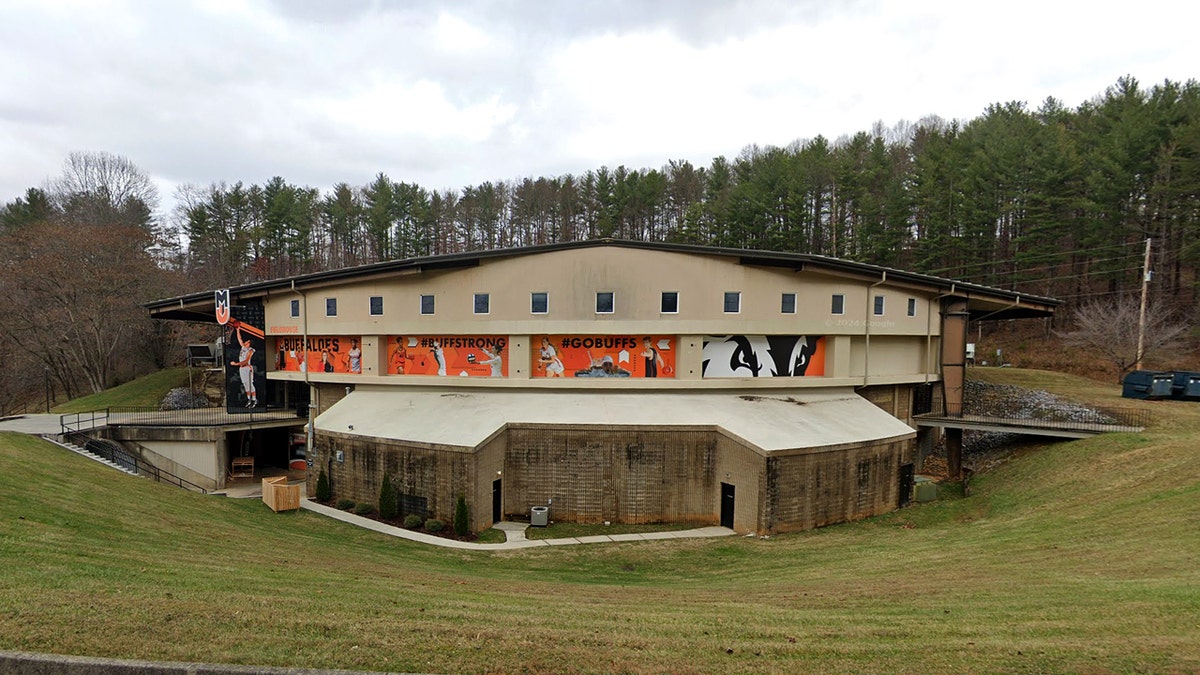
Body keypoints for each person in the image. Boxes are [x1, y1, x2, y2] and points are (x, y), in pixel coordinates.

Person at [229, 326, 258, 408]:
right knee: (245, 384)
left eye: (247, 342)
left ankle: (254, 399)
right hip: (242, 368)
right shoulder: (243, 347)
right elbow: (240, 339)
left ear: (250, 344)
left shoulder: (250, 350)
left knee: (250, 384)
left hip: (247, 368)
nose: (245, 342)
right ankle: (249, 399)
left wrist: (236, 364)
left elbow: (246, 361)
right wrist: (238, 330)